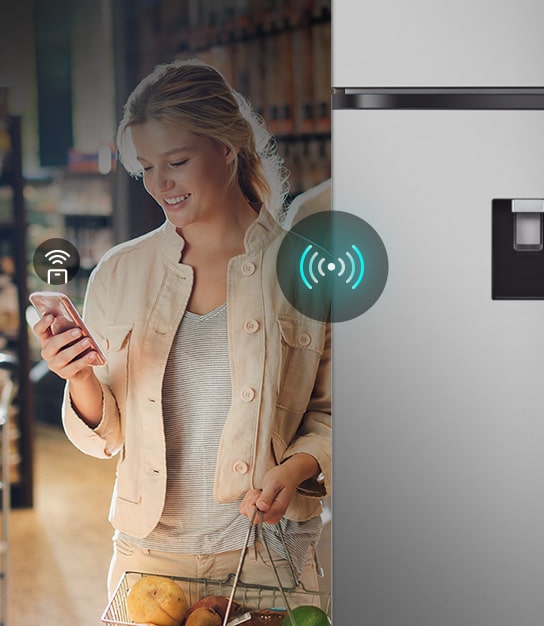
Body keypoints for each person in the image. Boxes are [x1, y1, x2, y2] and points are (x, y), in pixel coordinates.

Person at [33, 59, 331, 601]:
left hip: (269, 558)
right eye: (147, 167)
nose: (160, 184)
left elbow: (335, 414)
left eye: (176, 161)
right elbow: (107, 438)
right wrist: (76, 377)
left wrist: (299, 466)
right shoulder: (119, 274)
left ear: (226, 148)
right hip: (148, 559)